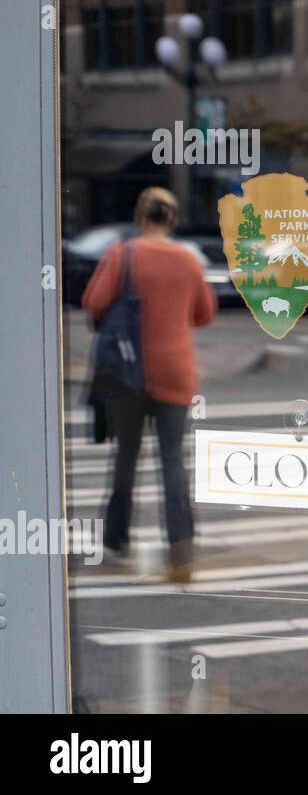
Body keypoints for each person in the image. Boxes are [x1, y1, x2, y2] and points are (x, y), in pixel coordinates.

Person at [82, 188, 216, 582]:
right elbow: (204, 313)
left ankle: (116, 538)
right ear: (172, 219)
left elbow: (93, 302)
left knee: (126, 456)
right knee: (172, 461)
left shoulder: (122, 255)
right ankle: (181, 549)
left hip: (128, 373)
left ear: (140, 217)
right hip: (176, 372)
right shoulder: (188, 260)